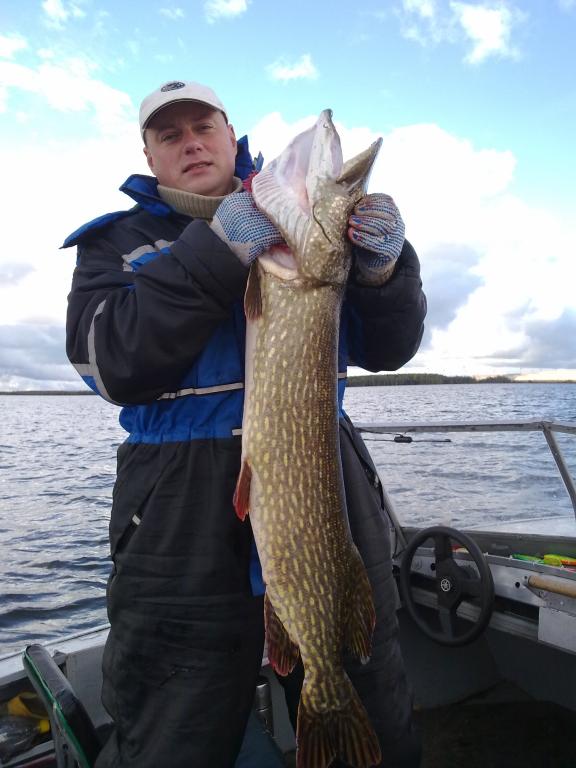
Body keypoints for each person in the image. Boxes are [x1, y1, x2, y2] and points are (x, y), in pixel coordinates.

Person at [64, 79, 427, 768]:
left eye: (204, 127)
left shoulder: (304, 228)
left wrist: (385, 273)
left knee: (369, 695)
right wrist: (218, 248)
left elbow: (389, 349)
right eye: (170, 135)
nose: (191, 144)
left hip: (322, 482)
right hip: (176, 514)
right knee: (176, 729)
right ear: (148, 154)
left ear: (232, 137)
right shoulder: (116, 245)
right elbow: (112, 363)